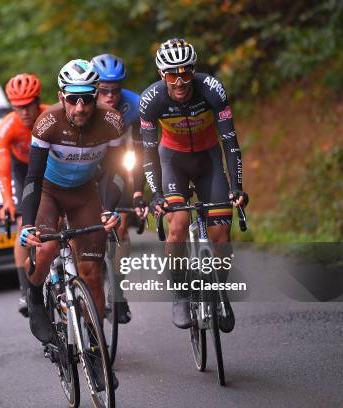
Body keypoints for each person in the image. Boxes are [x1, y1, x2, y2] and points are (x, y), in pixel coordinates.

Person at [20, 59, 123, 390]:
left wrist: (111, 207)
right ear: (62, 97)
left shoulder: (112, 122)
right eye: (73, 99)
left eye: (88, 99)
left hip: (85, 195)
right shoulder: (46, 123)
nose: (80, 107)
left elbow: (116, 172)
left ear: (96, 96)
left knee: (92, 272)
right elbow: (33, 178)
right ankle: (35, 295)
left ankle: (96, 349)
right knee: (47, 246)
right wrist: (27, 224)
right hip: (49, 192)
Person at [137, 38, 248, 331]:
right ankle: (180, 294)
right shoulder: (151, 100)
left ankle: (220, 290)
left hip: (208, 160)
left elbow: (230, 142)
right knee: (178, 224)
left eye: (186, 73)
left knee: (221, 233)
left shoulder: (212, 89)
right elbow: (148, 152)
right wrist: (157, 193)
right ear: (162, 75)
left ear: (194, 71)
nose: (180, 81)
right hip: (172, 162)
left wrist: (236, 185)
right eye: (172, 74)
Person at [91, 53, 145, 324]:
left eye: (115, 90)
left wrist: (140, 190)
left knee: (121, 226)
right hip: (88, 167)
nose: (110, 96)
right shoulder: (82, 104)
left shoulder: (134, 104)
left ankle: (118, 291)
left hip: (116, 164)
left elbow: (140, 145)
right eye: (103, 90)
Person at [0, 73, 49, 317]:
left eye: (28, 106)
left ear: (37, 101)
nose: (24, 112)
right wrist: (8, 202)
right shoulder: (6, 127)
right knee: (21, 224)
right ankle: (24, 288)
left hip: (49, 166)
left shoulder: (49, 117)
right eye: (18, 108)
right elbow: (3, 171)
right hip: (21, 170)